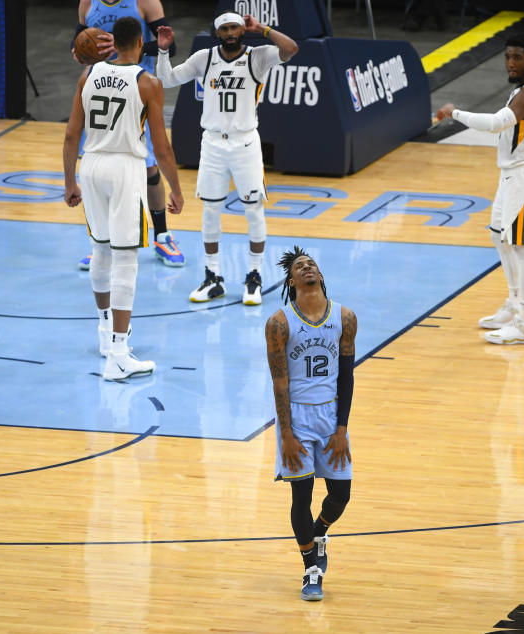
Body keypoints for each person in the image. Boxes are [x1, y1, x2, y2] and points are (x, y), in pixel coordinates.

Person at [63, 16, 184, 380]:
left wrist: (70, 181)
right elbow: (161, 148)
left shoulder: (88, 75)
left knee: (100, 251)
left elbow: (71, 135)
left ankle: (104, 336)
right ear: (141, 43)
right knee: (126, 258)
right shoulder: (148, 83)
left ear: (113, 41)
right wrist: (176, 189)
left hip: (92, 164)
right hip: (126, 168)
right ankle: (118, 352)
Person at [154, 13, 299, 306]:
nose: (230, 33)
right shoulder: (204, 58)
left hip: (245, 143)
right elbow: (167, 79)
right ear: (217, 32)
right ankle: (213, 277)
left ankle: (254, 276)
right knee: (210, 210)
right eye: (224, 29)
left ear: (242, 30)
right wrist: (162, 50)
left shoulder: (258, 56)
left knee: (253, 210)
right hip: (212, 143)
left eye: (235, 27)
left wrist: (264, 29)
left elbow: (291, 49)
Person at [435, 33, 524, 345]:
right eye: (507, 57)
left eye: (517, 58)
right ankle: (514, 304)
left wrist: (454, 113)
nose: (511, 63)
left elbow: (497, 123)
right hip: (512, 174)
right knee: (498, 235)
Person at [265, 246, 356, 601]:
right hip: (297, 417)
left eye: (312, 264)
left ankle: (319, 531)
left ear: (320, 276)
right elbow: (280, 381)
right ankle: (310, 568)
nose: (307, 267)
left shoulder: (345, 317)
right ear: (292, 280)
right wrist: (286, 434)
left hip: (331, 414)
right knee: (301, 493)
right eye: (300, 266)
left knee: (341, 494)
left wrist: (342, 428)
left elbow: (346, 376)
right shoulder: (279, 322)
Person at [74, 0, 185, 269]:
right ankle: (102, 242)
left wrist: (122, 48)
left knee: (148, 167)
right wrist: (79, 50)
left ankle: (162, 236)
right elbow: (76, 38)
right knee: (96, 159)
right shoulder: (88, 2)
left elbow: (170, 46)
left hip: (135, 87)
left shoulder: (146, 2)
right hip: (100, 85)